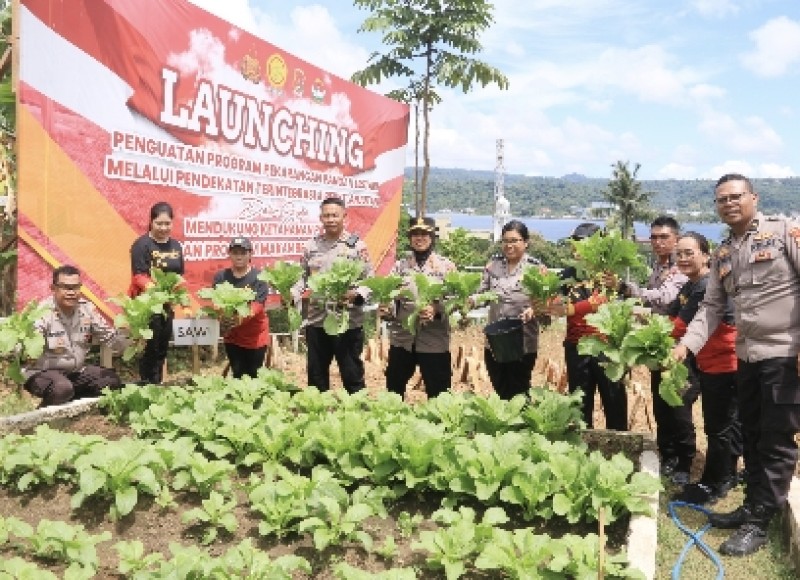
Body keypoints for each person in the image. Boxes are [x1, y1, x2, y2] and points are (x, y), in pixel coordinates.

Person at [673, 173, 800, 556]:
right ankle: (752, 506)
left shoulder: (784, 234)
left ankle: (760, 522)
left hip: (785, 354)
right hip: (747, 358)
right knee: (754, 435)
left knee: (777, 440)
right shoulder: (725, 253)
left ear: (753, 198)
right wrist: (686, 347)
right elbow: (711, 308)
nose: (728, 204)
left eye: (735, 197)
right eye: (721, 200)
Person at [668, 232, 741, 505]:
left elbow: (679, 326)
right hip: (710, 362)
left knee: (718, 425)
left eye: (690, 253)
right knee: (725, 423)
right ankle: (726, 475)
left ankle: (714, 483)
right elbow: (671, 315)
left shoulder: (705, 287)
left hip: (725, 362)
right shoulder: (691, 285)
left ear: (706, 255)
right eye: (680, 253)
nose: (684, 258)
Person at [624, 215, 694, 484]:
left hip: (679, 346)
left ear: (676, 239)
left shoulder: (681, 268)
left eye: (664, 237)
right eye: (653, 237)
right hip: (658, 344)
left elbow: (665, 298)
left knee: (678, 405)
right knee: (661, 402)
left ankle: (684, 462)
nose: (657, 242)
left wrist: (631, 292)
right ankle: (668, 454)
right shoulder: (658, 266)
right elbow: (656, 308)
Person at [548, 223, 628, 430]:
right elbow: (555, 306)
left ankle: (618, 447)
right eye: (575, 243)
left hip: (607, 349)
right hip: (577, 347)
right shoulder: (566, 275)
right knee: (580, 403)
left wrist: (571, 309)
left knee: (614, 400)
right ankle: (583, 451)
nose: (577, 249)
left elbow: (601, 300)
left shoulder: (609, 275)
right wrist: (552, 303)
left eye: (584, 244)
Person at [294, 197, 373, 393]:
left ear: (344, 216)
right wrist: (292, 294)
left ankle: (358, 416)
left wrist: (356, 294)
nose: (330, 219)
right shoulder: (311, 246)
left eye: (334, 215)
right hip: (317, 321)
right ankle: (318, 415)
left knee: (352, 374)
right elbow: (301, 278)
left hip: (347, 322)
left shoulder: (357, 246)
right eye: (326, 215)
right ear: (321, 218)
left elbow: (369, 280)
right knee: (316, 376)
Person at [23, 265, 123, 407]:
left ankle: (71, 411)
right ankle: (39, 421)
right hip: (41, 373)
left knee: (110, 381)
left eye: (75, 287)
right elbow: (24, 349)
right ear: (53, 289)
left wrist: (132, 337)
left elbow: (111, 339)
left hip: (75, 372)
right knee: (62, 388)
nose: (71, 292)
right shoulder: (42, 313)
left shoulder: (87, 310)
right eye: (65, 287)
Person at [383, 216, 456, 399]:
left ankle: (440, 427)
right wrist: (387, 309)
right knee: (394, 389)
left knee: (439, 392)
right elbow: (389, 295)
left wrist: (436, 309)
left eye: (424, 234)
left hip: (434, 340)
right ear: (409, 238)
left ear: (432, 237)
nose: (419, 238)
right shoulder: (400, 266)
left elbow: (456, 300)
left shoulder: (446, 267)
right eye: (415, 234)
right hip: (402, 339)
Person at [474, 220, 543, 399]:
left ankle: (521, 426)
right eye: (505, 241)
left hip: (522, 342)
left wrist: (535, 309)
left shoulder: (536, 269)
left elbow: (548, 301)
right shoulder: (493, 266)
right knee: (500, 386)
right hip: (495, 341)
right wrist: (470, 301)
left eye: (514, 240)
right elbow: (482, 294)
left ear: (525, 242)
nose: (509, 245)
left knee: (519, 391)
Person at [129, 201, 184, 385]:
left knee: (162, 347)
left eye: (167, 223)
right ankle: (146, 386)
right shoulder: (141, 245)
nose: (163, 227)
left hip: (166, 306)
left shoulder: (176, 246)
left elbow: (179, 276)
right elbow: (138, 276)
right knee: (149, 349)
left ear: (172, 223)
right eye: (159, 223)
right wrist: (157, 291)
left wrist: (176, 294)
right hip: (147, 306)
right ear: (151, 222)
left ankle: (157, 386)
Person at [212, 237, 274, 379]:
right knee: (238, 372)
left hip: (255, 336)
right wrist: (222, 316)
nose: (239, 256)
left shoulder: (259, 277)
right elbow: (216, 301)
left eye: (243, 252)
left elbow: (257, 306)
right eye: (235, 252)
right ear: (230, 254)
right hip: (232, 335)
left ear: (250, 254)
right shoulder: (221, 277)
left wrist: (238, 319)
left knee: (254, 373)